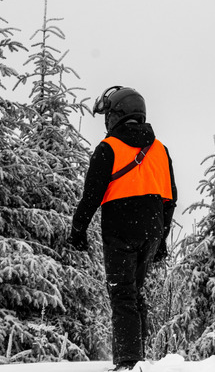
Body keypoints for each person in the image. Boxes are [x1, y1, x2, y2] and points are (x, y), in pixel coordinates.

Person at [68, 86, 177, 371]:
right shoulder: (160, 150)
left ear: (116, 115)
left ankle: (128, 362)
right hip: (152, 229)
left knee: (123, 295)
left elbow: (91, 196)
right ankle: (137, 359)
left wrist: (78, 231)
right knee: (136, 293)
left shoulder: (108, 148)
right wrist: (162, 240)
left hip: (120, 228)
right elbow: (170, 199)